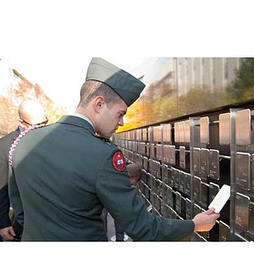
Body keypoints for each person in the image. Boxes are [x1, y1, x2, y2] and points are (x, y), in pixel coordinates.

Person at [8, 57, 220, 241]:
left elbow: (20, 211)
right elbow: (142, 228)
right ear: (99, 104)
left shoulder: (23, 142)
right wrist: (194, 224)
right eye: (120, 113)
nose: (121, 123)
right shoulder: (102, 155)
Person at [0, 100, 48, 241]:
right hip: (24, 218)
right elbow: (2, 187)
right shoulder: (5, 146)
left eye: (45, 122)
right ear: (22, 122)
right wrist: (3, 223)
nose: (42, 128)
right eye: (37, 125)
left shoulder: (51, 139)